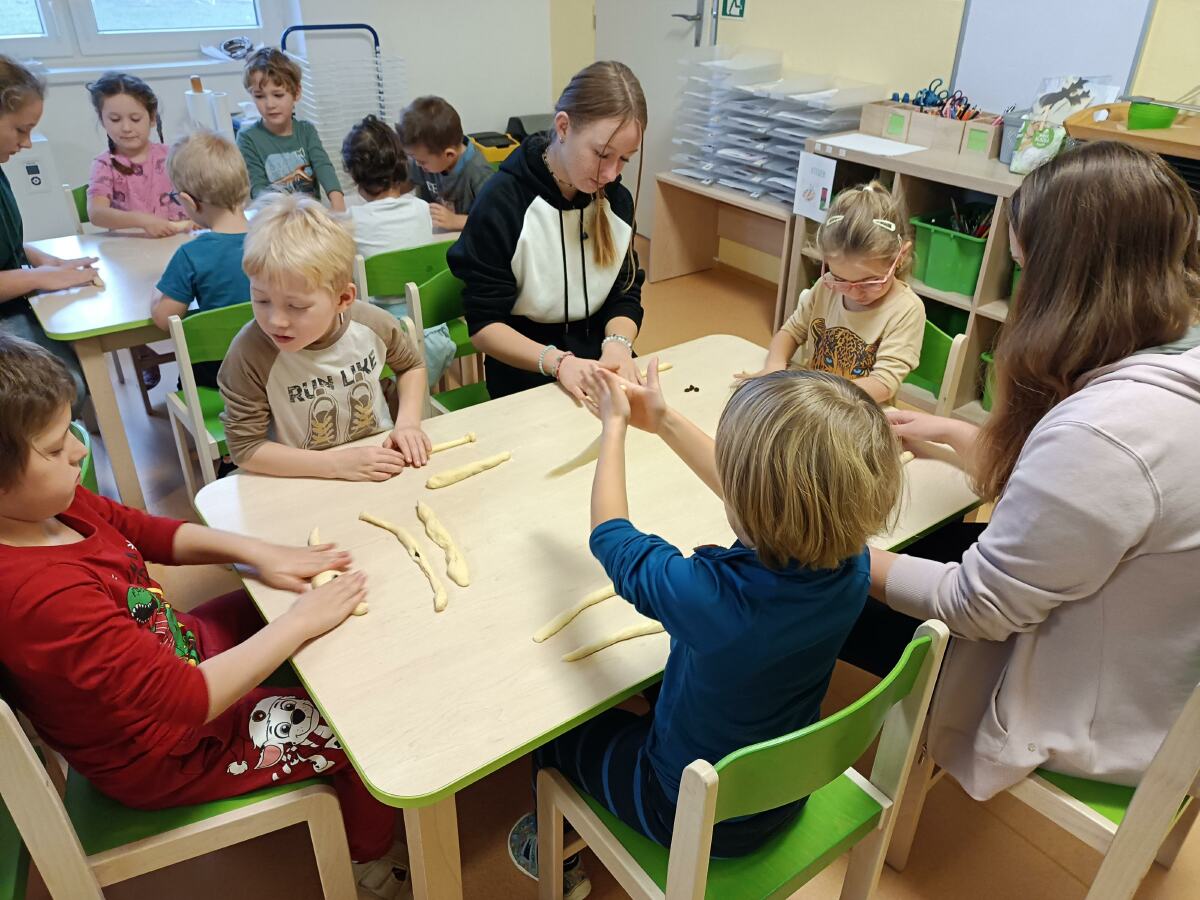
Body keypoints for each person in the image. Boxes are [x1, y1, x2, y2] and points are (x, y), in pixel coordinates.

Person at [845, 141, 1200, 801]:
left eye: (1022, 266)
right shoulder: (1175, 359)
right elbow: (1087, 506)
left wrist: (834, 552)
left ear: (1065, 279)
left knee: (821, 597)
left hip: (1096, 711)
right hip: (1152, 660)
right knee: (922, 542)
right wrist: (957, 434)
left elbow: (975, 606)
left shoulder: (1104, 434)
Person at [0, 332, 412, 899]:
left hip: (179, 655)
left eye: (72, 429)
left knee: (273, 603)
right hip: (169, 750)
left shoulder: (50, 506)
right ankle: (371, 860)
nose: (78, 450)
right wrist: (299, 623)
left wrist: (260, 552)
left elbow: (148, 532)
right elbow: (191, 700)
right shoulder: (40, 599)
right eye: (53, 448)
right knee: (362, 733)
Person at [508, 363, 904, 895]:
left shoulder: (711, 599)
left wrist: (614, 427)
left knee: (556, 736)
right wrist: (664, 420)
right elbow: (770, 498)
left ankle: (551, 853)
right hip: (784, 792)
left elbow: (610, 536)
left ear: (748, 500)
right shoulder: (852, 565)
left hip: (687, 814)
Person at [448, 61, 647, 401]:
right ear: (564, 127)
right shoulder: (503, 202)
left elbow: (625, 293)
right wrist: (559, 363)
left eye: (625, 159)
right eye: (602, 154)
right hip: (526, 373)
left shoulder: (616, 200)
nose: (611, 174)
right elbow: (484, 327)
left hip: (600, 362)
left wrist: (617, 345)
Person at [218, 193, 430, 480]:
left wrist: (407, 424)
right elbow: (246, 449)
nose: (276, 321)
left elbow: (411, 365)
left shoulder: (373, 324)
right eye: (261, 300)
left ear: (343, 299)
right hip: (302, 477)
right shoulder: (249, 353)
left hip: (375, 460)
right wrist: (336, 465)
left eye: (296, 306)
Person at [737, 182, 925, 404]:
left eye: (870, 282)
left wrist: (818, 393)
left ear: (900, 256)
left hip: (859, 409)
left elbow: (883, 383)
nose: (854, 292)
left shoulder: (906, 310)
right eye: (841, 279)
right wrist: (775, 366)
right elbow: (791, 332)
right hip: (814, 400)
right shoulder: (825, 288)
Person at [0, 56, 97, 412]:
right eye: (20, 130)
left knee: (81, 365)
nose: (26, 143)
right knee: (66, 387)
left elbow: (6, 242)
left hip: (14, 305)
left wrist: (41, 259)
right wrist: (41, 277)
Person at [341, 114, 454, 389]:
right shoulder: (422, 209)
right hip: (433, 329)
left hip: (384, 344)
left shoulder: (352, 221)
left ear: (354, 175)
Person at [151, 131, 251, 389]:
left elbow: (164, 320)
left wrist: (156, 293)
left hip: (222, 376)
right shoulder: (276, 237)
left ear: (189, 202)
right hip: (281, 365)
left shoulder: (191, 255)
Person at [237, 47, 346, 212]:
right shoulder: (247, 138)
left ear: (296, 93)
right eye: (259, 96)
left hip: (310, 216)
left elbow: (323, 166)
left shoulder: (306, 131)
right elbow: (257, 187)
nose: (270, 104)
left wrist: (338, 204)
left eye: (278, 95)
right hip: (275, 218)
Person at [85, 72, 192, 237]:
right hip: (131, 247)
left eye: (135, 119)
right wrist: (142, 221)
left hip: (178, 241)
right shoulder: (104, 165)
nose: (126, 128)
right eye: (115, 119)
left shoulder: (174, 156)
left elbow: (201, 196)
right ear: (102, 121)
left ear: (152, 118)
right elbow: (97, 213)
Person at [397, 96, 494, 231]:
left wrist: (456, 221)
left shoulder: (478, 171)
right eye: (414, 158)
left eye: (421, 162)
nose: (417, 164)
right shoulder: (427, 158)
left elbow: (495, 218)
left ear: (449, 155)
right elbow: (402, 186)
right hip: (439, 234)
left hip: (470, 235)